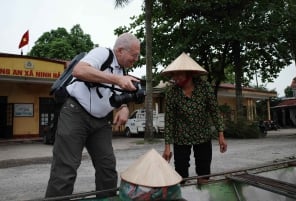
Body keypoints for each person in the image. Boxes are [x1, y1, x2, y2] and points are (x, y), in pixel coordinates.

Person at [45, 32, 141, 198]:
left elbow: (112, 93)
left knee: (107, 167)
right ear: (120, 50)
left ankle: (107, 199)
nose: (136, 59)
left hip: (101, 121)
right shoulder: (102, 53)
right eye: (134, 55)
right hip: (75, 113)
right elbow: (79, 70)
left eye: (137, 56)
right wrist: (118, 80)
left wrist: (124, 106)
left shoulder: (121, 70)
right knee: (65, 169)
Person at [162, 53, 227, 184]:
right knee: (180, 171)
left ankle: (203, 191)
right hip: (181, 137)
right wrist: (167, 146)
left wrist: (221, 134)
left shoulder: (204, 88)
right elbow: (169, 121)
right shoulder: (172, 93)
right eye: (174, 74)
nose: (176, 78)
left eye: (179, 74)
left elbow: (214, 111)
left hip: (202, 135)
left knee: (204, 170)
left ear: (189, 74)